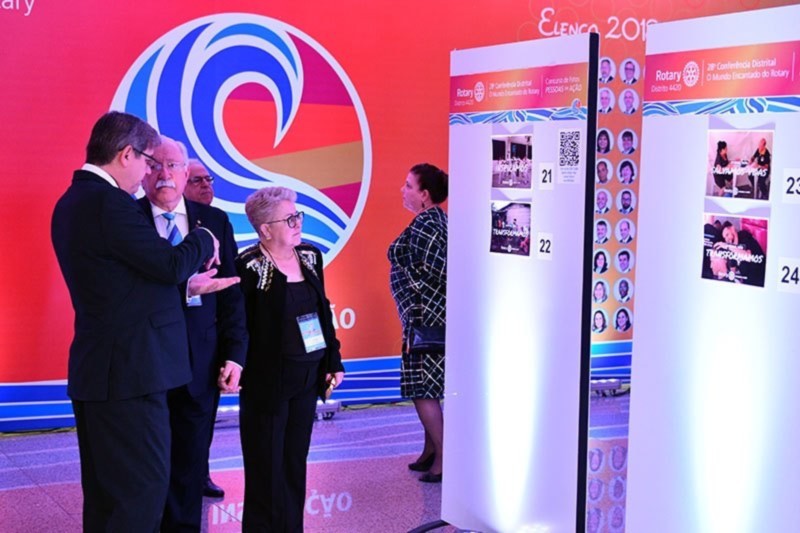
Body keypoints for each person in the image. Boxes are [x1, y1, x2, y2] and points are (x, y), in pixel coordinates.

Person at [50, 111, 234, 532]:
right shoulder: (109, 203)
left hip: (104, 372)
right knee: (140, 496)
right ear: (126, 154)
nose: (151, 173)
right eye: (149, 162)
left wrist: (187, 288)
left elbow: (125, 286)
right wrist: (202, 237)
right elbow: (169, 264)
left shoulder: (73, 202)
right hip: (130, 376)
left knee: (107, 499)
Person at [138, 137, 247, 531]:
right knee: (147, 473)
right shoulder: (127, 220)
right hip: (145, 367)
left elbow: (231, 292)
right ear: (142, 172)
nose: (163, 174)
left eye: (172, 165)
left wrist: (235, 356)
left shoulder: (214, 221)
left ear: (186, 173)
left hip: (201, 367)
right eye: (154, 165)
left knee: (190, 472)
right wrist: (185, 288)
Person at [235, 186, 345, 531]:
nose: (298, 224)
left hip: (307, 374)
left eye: (298, 216)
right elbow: (240, 326)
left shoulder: (310, 256)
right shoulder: (248, 266)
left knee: (295, 462)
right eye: (290, 219)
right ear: (265, 229)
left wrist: (333, 359)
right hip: (267, 380)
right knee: (266, 466)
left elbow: (322, 310)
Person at [388, 163, 448, 484]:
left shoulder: (427, 225)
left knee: (424, 389)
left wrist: (415, 284)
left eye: (409, 185)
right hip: (424, 317)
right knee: (426, 388)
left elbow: (440, 271)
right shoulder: (433, 221)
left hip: (426, 320)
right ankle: (430, 450)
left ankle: (444, 457)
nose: (403, 190)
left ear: (424, 195)